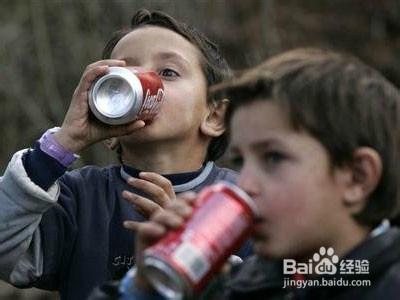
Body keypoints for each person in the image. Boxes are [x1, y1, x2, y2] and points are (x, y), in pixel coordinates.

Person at [90, 48, 400, 299]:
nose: (246, 184)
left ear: (358, 177)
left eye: (274, 158)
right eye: (241, 161)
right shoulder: (240, 284)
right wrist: (149, 286)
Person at [0, 9, 252, 300]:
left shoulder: (242, 200)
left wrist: (191, 248)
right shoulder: (78, 198)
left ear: (215, 115)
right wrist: (64, 142)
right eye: (123, 74)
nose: (140, 81)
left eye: (167, 72)